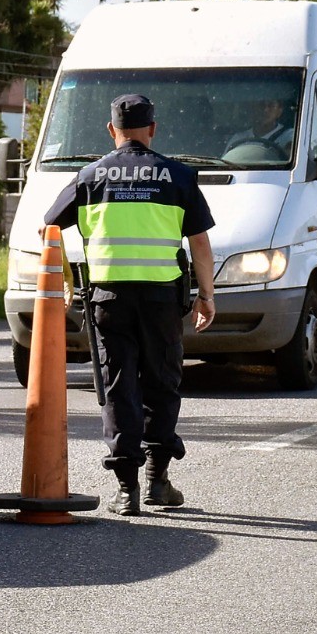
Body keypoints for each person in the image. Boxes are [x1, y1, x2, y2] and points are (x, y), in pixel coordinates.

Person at [44, 94, 216, 516]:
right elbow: (200, 243)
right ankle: (158, 481)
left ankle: (127, 490)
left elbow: (48, 225)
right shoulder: (177, 175)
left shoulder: (89, 177)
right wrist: (207, 295)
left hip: (109, 301)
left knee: (119, 388)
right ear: (153, 129)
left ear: (111, 131)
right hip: (161, 299)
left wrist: (66, 279)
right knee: (162, 383)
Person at [226, 97, 295, 154]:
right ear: (253, 109)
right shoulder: (238, 138)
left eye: (271, 105)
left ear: (279, 111)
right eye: (261, 104)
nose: (265, 110)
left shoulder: (291, 136)